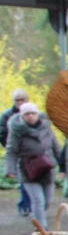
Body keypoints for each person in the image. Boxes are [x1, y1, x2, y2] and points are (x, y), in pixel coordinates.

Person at [4, 102, 65, 227]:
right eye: (27, 114)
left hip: (47, 169)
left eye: (33, 113)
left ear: (37, 114)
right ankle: (42, 229)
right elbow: (11, 151)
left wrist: (63, 166)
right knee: (38, 200)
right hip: (28, 171)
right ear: (22, 116)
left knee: (46, 201)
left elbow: (56, 147)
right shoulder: (17, 131)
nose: (30, 116)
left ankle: (37, 217)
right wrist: (10, 169)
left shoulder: (46, 127)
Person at [0, 89, 32, 217]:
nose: (19, 102)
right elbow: (1, 133)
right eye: (17, 100)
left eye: (22, 99)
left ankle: (26, 204)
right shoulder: (7, 115)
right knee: (24, 180)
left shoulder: (32, 113)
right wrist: (10, 146)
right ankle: (26, 206)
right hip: (17, 153)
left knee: (33, 179)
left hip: (32, 152)